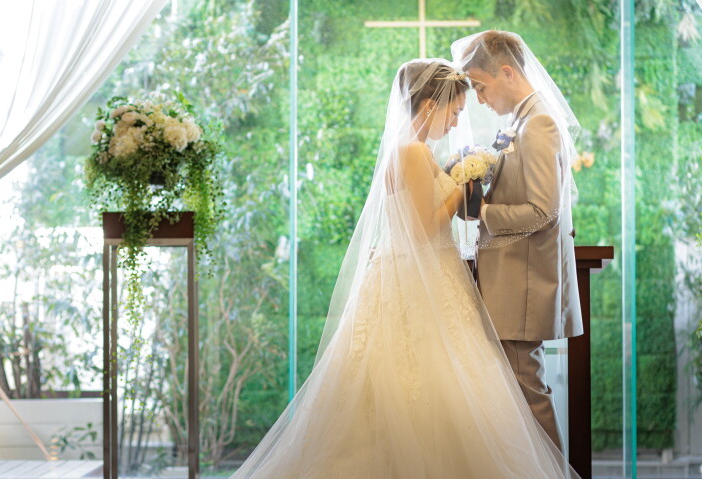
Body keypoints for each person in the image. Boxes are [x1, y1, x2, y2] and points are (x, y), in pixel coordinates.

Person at [231, 58, 577, 478]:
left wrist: (455, 176)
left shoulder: (415, 149)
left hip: (425, 275)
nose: (455, 122)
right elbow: (424, 227)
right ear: (430, 104)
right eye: (454, 111)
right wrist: (463, 180)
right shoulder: (411, 150)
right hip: (420, 277)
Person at [452, 30, 583, 451]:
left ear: (506, 73)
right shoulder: (520, 121)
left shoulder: (539, 122)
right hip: (510, 278)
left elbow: (544, 212)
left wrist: (482, 213)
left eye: (480, 86)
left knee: (529, 391)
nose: (479, 98)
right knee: (521, 390)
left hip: (523, 283)